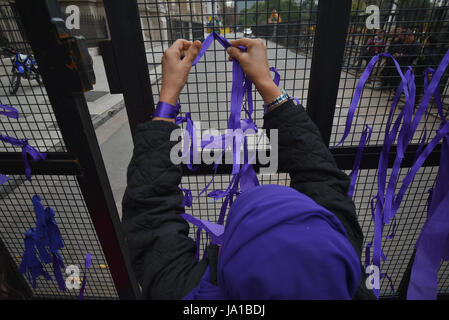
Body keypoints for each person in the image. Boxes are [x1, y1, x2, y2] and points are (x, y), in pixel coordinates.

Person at [122, 38, 375, 300]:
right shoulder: (344, 277)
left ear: (226, 257)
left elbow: (150, 215)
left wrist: (167, 99)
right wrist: (267, 83)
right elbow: (324, 181)